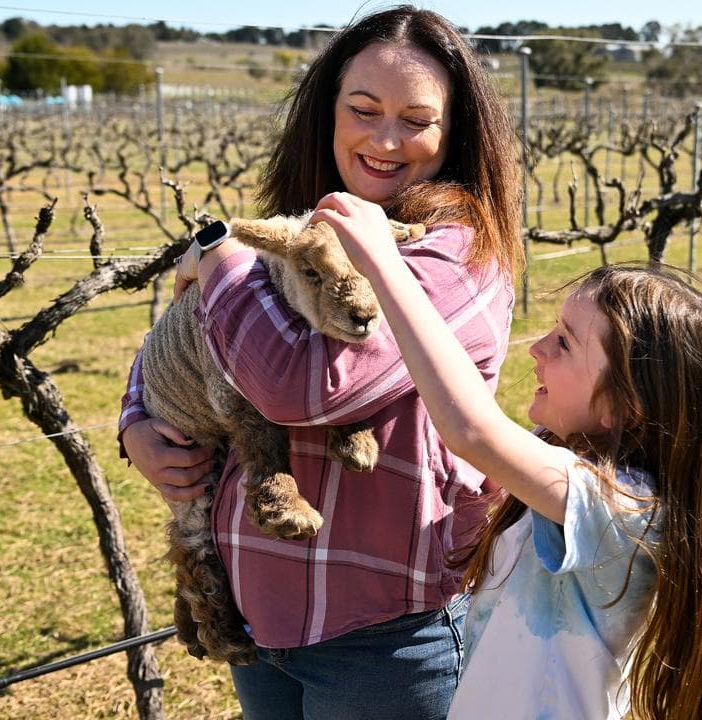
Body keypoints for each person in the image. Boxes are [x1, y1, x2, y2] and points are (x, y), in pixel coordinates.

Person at [118, 6, 522, 719]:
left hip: (383, 636)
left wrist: (220, 254)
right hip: (264, 613)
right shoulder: (310, 230)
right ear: (327, 113)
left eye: (417, 119)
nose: (386, 139)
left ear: (454, 130)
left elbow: (300, 387)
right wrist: (136, 425)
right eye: (363, 110)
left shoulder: (455, 254)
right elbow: (192, 339)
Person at [313, 189, 702, 719]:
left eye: (566, 343)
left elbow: (471, 428)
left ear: (625, 407)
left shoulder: (626, 512)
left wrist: (384, 265)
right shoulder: (572, 468)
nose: (537, 349)